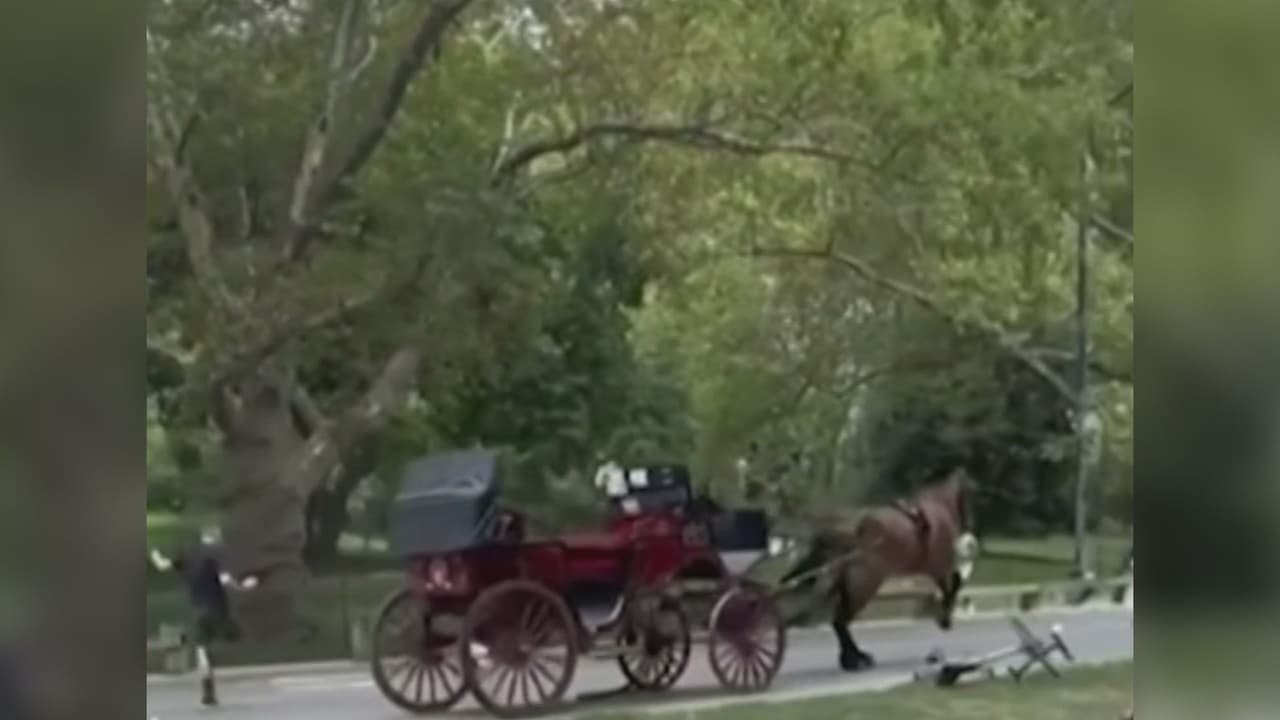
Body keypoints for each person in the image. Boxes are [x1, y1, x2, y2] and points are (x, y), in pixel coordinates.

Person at [150, 527, 257, 707]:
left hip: (198, 611)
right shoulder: (216, 552)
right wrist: (244, 586)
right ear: (216, 538)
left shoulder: (189, 553)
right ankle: (218, 655)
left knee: (202, 648)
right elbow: (224, 580)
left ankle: (208, 690)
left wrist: (153, 553)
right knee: (236, 635)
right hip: (218, 610)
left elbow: (162, 565)